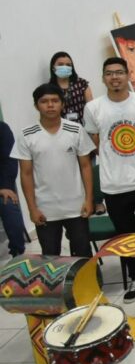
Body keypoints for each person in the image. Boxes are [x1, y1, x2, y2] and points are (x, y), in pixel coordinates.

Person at [15, 84, 94, 257]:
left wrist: (89, 199)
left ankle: (88, 276)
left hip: (76, 206)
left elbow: (86, 166)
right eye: (44, 101)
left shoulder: (76, 129)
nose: (50, 105)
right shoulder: (27, 135)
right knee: (50, 256)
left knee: (83, 253)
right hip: (45, 208)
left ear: (62, 104)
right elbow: (26, 174)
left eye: (55, 101)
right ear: (36, 105)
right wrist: (32, 208)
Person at [0, 119, 25, 258]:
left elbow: (9, 161)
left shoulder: (2, 129)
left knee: (8, 205)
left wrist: (5, 186)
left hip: (1, 187)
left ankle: (17, 252)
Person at [47, 52, 93, 123]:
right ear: (53, 67)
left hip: (84, 126)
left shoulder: (81, 84)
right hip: (62, 127)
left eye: (68, 65)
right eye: (60, 64)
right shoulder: (49, 89)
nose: (65, 67)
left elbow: (91, 108)